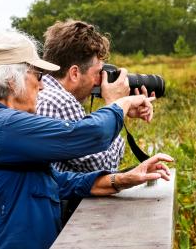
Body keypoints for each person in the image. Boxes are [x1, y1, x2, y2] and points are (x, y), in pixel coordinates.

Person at [0, 30, 172, 249]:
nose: (41, 85)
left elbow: (55, 182)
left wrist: (122, 179)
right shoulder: (1, 126)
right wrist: (120, 104)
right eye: (38, 75)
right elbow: (86, 135)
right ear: (12, 81)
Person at [37, 20, 138, 173]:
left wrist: (123, 107)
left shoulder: (39, 91)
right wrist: (116, 107)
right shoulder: (61, 102)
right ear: (75, 73)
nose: (99, 81)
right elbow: (105, 166)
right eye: (97, 73)